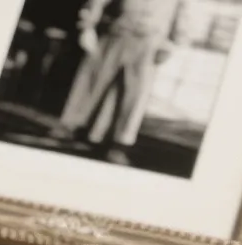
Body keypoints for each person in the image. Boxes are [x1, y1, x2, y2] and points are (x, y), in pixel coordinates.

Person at [49, 0, 182, 166]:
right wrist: (87, 27)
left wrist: (173, 43)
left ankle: (120, 144)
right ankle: (70, 126)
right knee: (92, 81)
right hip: (118, 31)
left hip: (151, 41)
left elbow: (184, 13)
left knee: (135, 94)